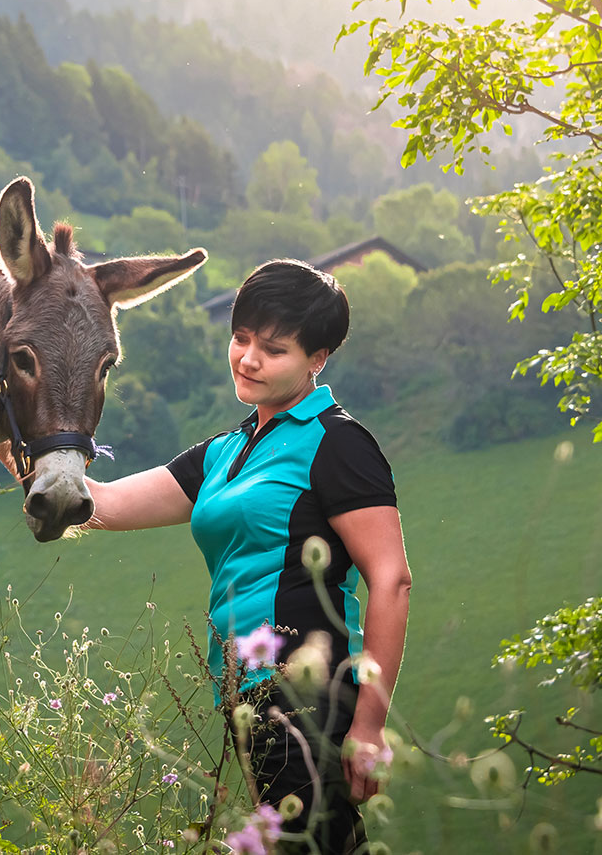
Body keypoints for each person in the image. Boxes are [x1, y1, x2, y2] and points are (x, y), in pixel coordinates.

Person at [83, 259, 411, 855]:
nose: (248, 359)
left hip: (308, 691)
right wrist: (12, 432)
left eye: (274, 349)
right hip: (248, 692)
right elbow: (99, 504)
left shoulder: (338, 443)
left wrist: (368, 725)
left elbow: (390, 581)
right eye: (241, 339)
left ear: (317, 359)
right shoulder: (226, 450)